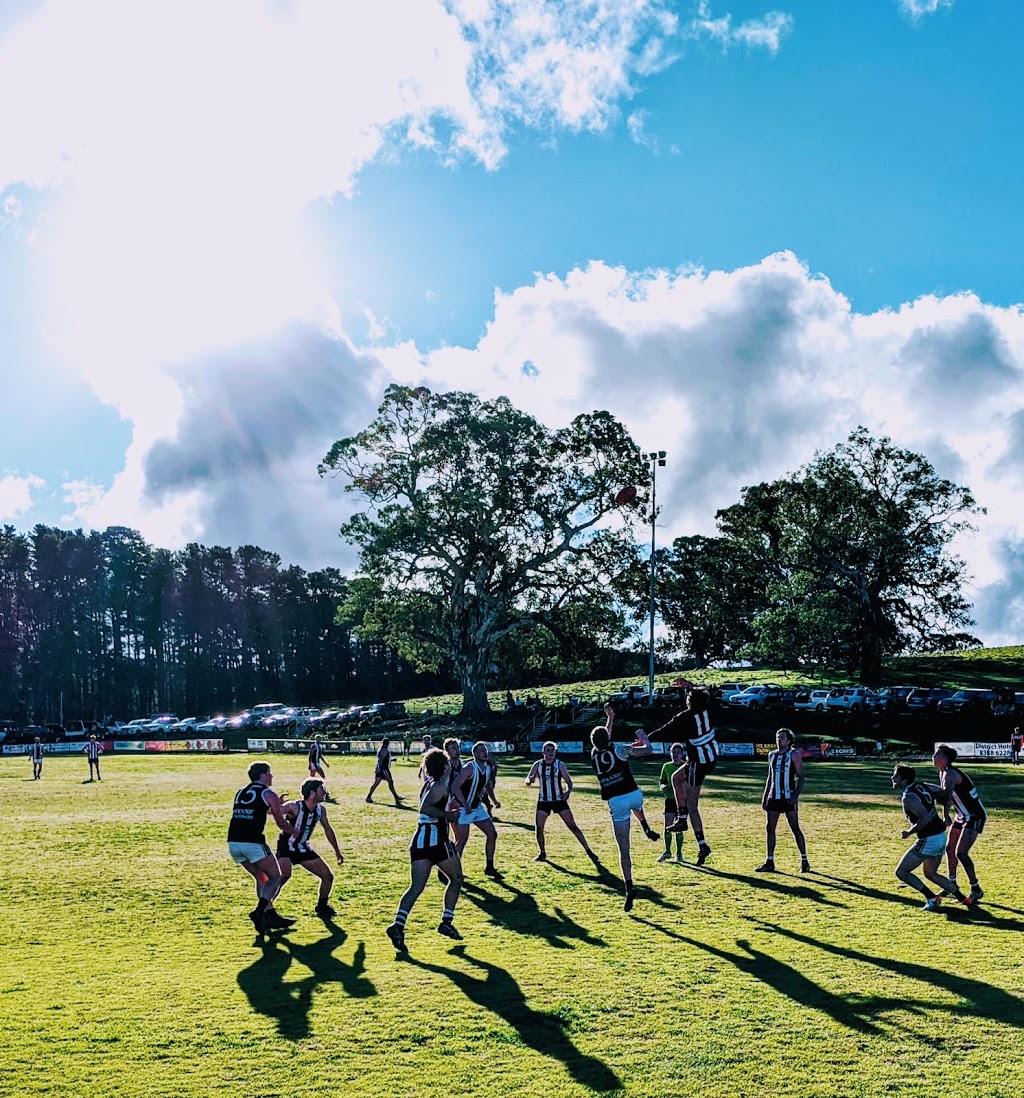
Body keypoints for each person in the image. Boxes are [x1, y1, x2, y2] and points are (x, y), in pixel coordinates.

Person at [386, 747, 464, 952]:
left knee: (416, 887)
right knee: (456, 879)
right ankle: (446, 922)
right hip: (436, 840)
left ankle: (397, 926)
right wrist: (450, 816)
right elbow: (426, 808)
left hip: (420, 841)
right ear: (446, 766)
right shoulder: (439, 785)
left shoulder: (430, 783)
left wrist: (448, 807)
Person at [590, 703, 659, 911]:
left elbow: (605, 737)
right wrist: (644, 739)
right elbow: (647, 751)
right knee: (636, 802)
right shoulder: (620, 749)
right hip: (634, 794)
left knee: (624, 849)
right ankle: (645, 825)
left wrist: (609, 719)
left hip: (616, 802)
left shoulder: (593, 755)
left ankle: (629, 887)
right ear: (608, 738)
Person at [227, 761, 299, 933]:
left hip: (234, 842)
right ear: (263, 775)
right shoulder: (268, 793)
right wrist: (294, 831)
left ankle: (269, 916)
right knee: (275, 877)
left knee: (262, 878)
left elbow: (256, 809)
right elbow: (281, 822)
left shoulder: (241, 792)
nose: (272, 776)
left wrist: (276, 805)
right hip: (253, 841)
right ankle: (259, 912)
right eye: (270, 772)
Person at [890, 763, 972, 911]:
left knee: (901, 872)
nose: (892, 778)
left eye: (895, 775)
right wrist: (945, 814)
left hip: (929, 838)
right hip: (940, 836)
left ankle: (932, 898)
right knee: (930, 873)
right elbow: (946, 795)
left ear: (903, 779)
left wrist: (909, 832)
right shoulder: (923, 786)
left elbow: (925, 818)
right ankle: (963, 899)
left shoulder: (908, 797)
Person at [658, 686, 719, 866]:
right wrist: (690, 685)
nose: (686, 697)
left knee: (692, 805)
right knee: (676, 779)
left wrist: (646, 738)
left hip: (697, 762)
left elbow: (666, 729)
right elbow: (709, 694)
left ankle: (683, 819)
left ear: (691, 701)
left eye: (689, 695)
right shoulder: (709, 710)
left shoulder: (686, 717)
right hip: (711, 758)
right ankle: (702, 845)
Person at [276, 779, 344, 918]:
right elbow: (271, 812)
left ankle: (322, 906)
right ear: (312, 792)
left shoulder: (320, 810)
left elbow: (328, 830)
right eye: (322, 789)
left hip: (303, 847)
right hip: (286, 847)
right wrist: (277, 805)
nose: (325, 792)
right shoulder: (294, 807)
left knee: (328, 876)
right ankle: (266, 907)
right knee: (284, 875)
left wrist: (337, 851)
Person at [525, 741, 600, 864]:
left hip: (559, 800)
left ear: (555, 752)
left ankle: (589, 850)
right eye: (548, 750)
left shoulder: (560, 765)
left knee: (572, 826)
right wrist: (529, 780)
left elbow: (569, 782)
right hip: (543, 801)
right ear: (543, 752)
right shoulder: (537, 765)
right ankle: (542, 853)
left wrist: (568, 792)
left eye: (552, 750)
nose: (550, 753)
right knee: (539, 828)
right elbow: (528, 778)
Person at [931, 744, 987, 901]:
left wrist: (930, 795)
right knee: (950, 849)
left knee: (960, 853)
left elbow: (946, 796)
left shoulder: (950, 774)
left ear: (945, 758)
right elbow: (947, 797)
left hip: (974, 815)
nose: (933, 757)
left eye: (936, 754)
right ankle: (951, 885)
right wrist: (946, 815)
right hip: (962, 815)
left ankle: (976, 888)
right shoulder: (942, 773)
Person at [756, 728, 810, 873]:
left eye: (782, 737)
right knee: (770, 828)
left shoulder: (794, 755)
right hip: (774, 797)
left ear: (789, 740)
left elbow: (801, 777)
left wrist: (795, 796)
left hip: (788, 798)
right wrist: (765, 795)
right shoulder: (772, 755)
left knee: (794, 828)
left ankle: (804, 860)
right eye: (777, 737)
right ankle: (769, 860)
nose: (779, 740)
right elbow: (770, 777)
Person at [453, 741, 502, 879]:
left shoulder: (487, 768)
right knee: (461, 841)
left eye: (485, 750)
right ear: (474, 754)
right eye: (481, 751)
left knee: (492, 834)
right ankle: (450, 871)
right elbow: (455, 786)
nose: (485, 753)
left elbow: (488, 785)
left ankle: (490, 866)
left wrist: (494, 801)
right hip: (463, 809)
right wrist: (464, 803)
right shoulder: (470, 768)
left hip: (476, 808)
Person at [657, 743, 687, 863]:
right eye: (673, 752)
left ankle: (679, 854)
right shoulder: (666, 766)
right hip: (669, 799)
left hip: (681, 802)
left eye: (677, 753)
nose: (675, 755)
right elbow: (662, 781)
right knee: (667, 827)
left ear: (682, 754)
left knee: (679, 828)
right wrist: (663, 787)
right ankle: (667, 851)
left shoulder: (685, 767)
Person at [366, 737, 402, 805]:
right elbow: (381, 760)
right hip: (384, 769)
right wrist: (379, 768)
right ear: (388, 743)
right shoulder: (385, 750)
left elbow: (383, 759)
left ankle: (368, 796)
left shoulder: (381, 749)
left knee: (376, 783)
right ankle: (396, 797)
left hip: (380, 768)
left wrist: (391, 760)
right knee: (390, 782)